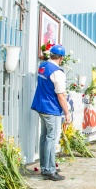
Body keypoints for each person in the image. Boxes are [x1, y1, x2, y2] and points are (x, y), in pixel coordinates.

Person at [31, 45, 69, 181]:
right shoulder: (57, 72)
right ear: (61, 58)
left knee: (44, 137)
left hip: (40, 105)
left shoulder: (43, 66)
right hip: (51, 108)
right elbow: (61, 95)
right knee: (51, 139)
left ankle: (44, 166)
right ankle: (49, 170)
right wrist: (67, 113)